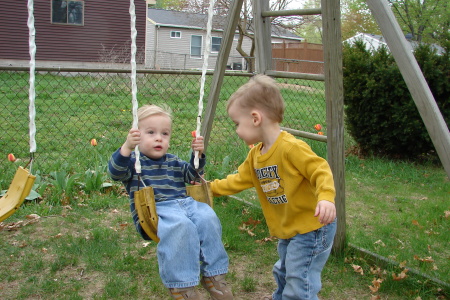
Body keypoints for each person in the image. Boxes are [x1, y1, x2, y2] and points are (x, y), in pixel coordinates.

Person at [210, 75, 337, 300]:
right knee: (284, 272)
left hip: (312, 226)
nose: (237, 130)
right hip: (289, 227)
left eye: (237, 123)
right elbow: (237, 180)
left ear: (255, 118)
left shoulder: (290, 148)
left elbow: (320, 169)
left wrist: (326, 197)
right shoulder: (255, 155)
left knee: (300, 279)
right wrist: (210, 189)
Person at [108, 104, 233, 300]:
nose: (159, 137)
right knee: (181, 227)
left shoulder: (173, 161)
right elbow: (115, 173)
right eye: (151, 132)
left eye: (164, 134)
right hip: (157, 209)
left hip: (186, 204)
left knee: (208, 217)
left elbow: (192, 175)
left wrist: (197, 156)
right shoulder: (134, 162)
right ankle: (182, 287)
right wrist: (126, 147)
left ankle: (214, 275)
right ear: (136, 135)